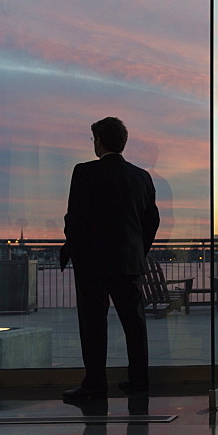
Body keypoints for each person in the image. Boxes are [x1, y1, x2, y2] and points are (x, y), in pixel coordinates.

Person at [61, 117, 160, 402]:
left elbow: (75, 219)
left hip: (93, 263)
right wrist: (137, 251)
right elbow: (151, 220)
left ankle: (95, 383)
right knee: (134, 321)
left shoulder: (84, 173)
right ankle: (139, 379)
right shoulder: (141, 176)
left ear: (99, 142)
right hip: (129, 261)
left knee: (93, 322)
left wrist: (76, 252)